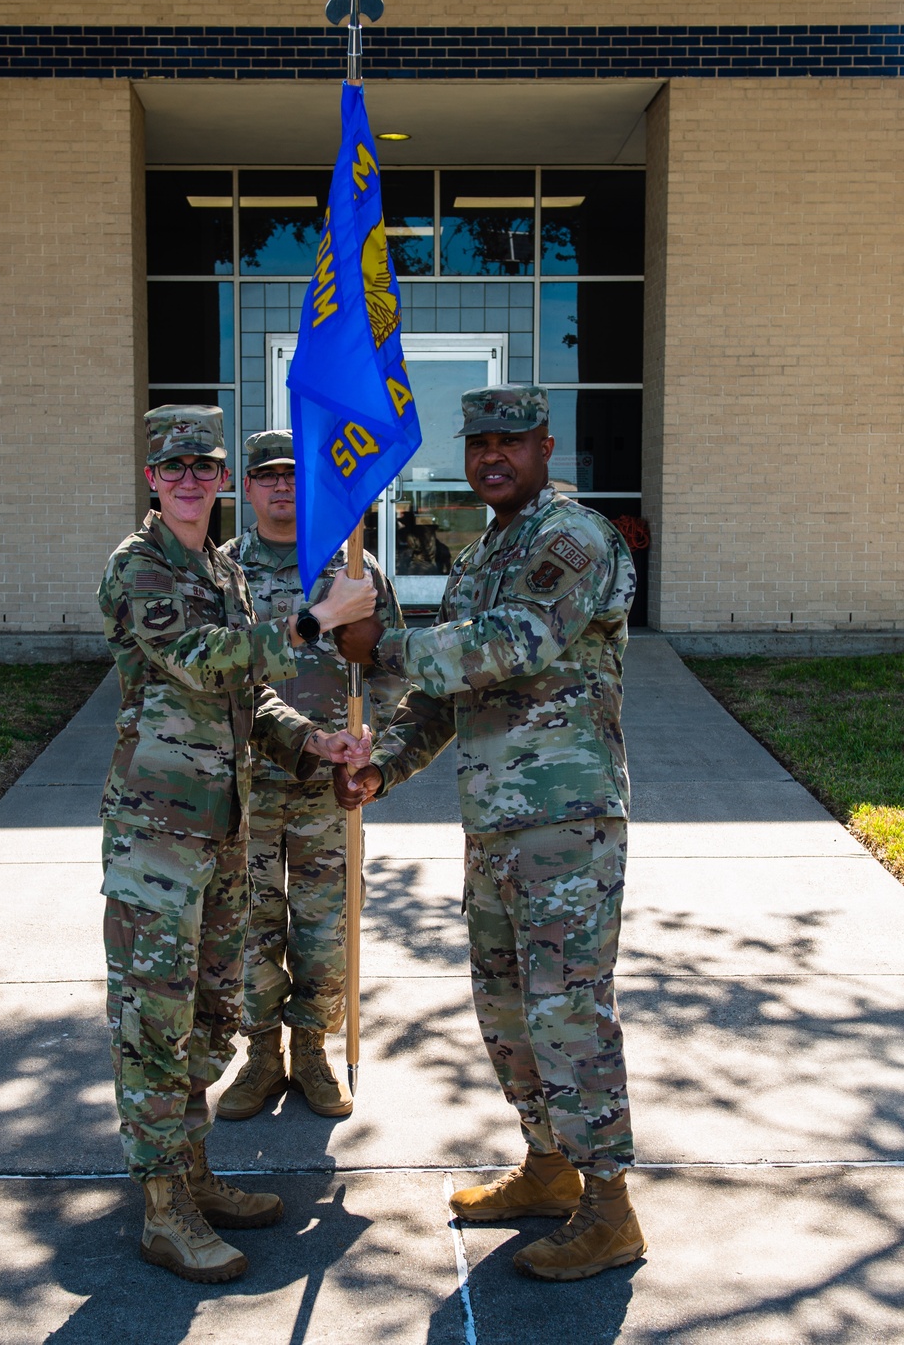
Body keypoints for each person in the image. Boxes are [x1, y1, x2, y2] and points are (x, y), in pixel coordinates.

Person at [332, 384, 646, 1283]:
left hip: (566, 823)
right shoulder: (480, 558)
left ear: (547, 447)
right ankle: (549, 1168)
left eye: (510, 442)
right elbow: (443, 693)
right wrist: (382, 764)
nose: (491, 457)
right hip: (496, 827)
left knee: (569, 1011)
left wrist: (378, 647)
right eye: (478, 445)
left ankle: (611, 1206)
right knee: (508, 1009)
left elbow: (513, 644)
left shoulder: (572, 538)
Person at [98, 404, 375, 1284]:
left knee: (210, 1015)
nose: (189, 480)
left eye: (203, 466)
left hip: (223, 824)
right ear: (152, 480)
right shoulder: (138, 568)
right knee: (153, 1022)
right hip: (157, 832)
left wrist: (310, 739)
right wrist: (313, 622)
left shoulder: (221, 567)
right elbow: (208, 659)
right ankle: (161, 1208)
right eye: (173, 468)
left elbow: (247, 698)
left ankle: (193, 1171)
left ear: (222, 480)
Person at [214, 430, 405, 1122]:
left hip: (331, 786)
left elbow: (391, 666)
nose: (282, 487)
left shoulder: (352, 568)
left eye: (294, 476)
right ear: (247, 486)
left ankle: (313, 1050)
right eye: (268, 477)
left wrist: (370, 736)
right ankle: (261, 1052)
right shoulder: (223, 571)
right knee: (249, 927)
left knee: (326, 928)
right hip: (248, 780)